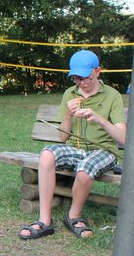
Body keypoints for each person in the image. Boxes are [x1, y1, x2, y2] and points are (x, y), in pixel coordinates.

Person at [18, 50, 126, 239]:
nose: (81, 82)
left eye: (85, 78)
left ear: (97, 71)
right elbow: (62, 138)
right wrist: (68, 115)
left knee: (85, 169)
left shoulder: (112, 95)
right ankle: (45, 221)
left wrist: (99, 119)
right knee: (46, 155)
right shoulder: (70, 93)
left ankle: (73, 216)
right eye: (76, 78)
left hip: (103, 151)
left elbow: (123, 139)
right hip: (75, 149)